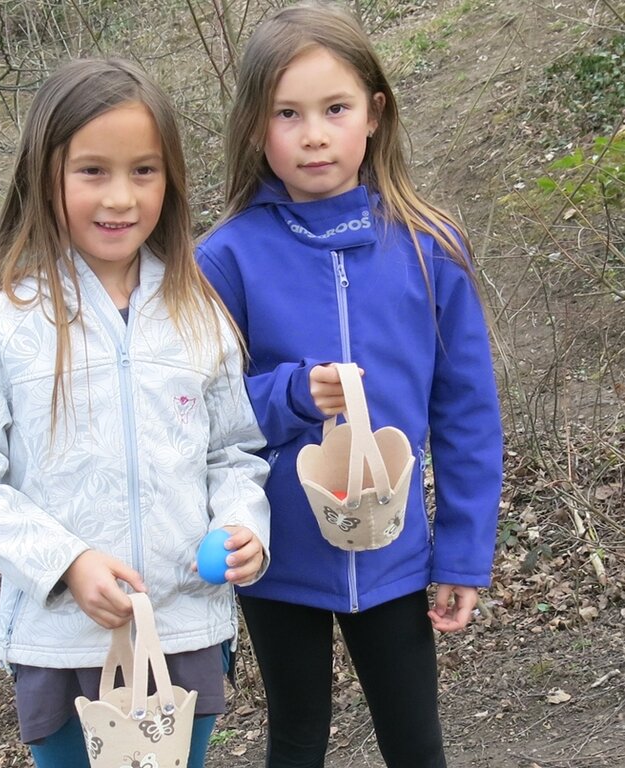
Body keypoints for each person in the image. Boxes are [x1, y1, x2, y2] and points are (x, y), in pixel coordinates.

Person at [0, 58, 271, 768]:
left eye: (143, 170)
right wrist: (67, 562)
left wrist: (243, 527)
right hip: (62, 642)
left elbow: (233, 451)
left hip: (183, 631)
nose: (120, 197)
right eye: (92, 171)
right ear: (43, 175)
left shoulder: (197, 314)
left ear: (169, 179)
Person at [196, 3, 503, 767]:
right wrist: (294, 394)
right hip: (275, 554)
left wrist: (463, 553)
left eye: (333, 109)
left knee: (414, 740)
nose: (312, 134)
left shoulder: (430, 246)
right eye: (286, 114)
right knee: (295, 738)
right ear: (254, 129)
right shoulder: (224, 259)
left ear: (373, 112)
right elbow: (201, 413)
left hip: (395, 548)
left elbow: (466, 412)